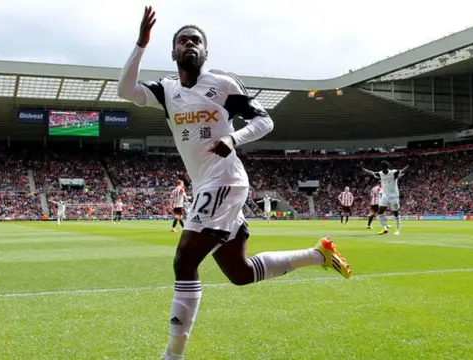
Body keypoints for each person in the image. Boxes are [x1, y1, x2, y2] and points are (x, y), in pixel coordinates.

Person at [116, 7, 352, 360]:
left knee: (184, 261)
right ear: (174, 52)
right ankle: (318, 254)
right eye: (183, 41)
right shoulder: (166, 90)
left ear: (205, 53)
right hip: (206, 186)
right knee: (240, 273)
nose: (190, 45)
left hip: (225, 180)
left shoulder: (222, 85)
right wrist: (140, 44)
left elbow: (264, 121)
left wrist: (233, 139)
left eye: (197, 41)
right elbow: (125, 90)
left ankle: (173, 355)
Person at [362, 161, 408, 235]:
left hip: (394, 196)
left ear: (387, 167)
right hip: (385, 196)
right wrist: (363, 169)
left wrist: (408, 165)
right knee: (380, 213)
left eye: (384, 168)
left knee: (396, 213)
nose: (383, 170)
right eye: (382, 168)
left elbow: (402, 170)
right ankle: (385, 228)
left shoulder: (393, 173)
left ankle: (397, 230)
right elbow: (372, 172)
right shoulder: (380, 173)